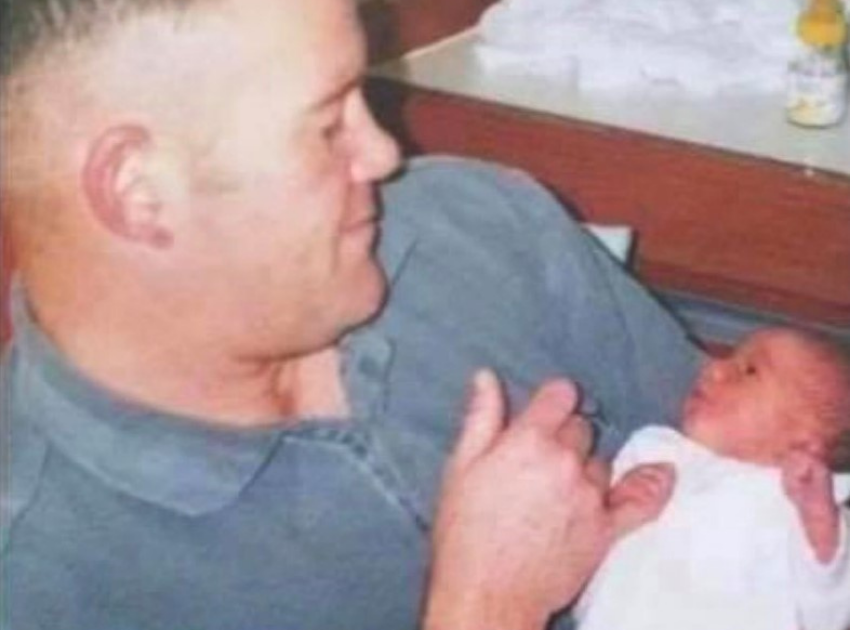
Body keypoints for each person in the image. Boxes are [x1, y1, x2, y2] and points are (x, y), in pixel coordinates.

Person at [0, 0, 701, 628]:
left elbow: (736, 447)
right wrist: (486, 609)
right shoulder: (37, 579)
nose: (385, 153)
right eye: (330, 124)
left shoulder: (481, 224)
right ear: (139, 191)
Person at [576, 327, 850, 630]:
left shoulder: (805, 508)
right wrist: (616, 510)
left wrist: (820, 523)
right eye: (730, 357)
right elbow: (573, 550)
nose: (714, 368)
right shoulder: (656, 450)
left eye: (750, 371)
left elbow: (828, 606)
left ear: (804, 441)